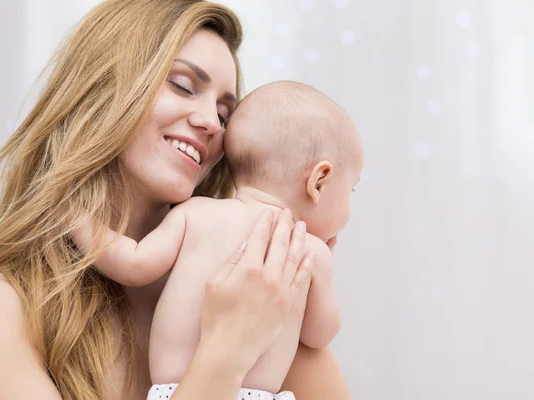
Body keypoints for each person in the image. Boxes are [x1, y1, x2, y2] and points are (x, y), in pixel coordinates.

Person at [0, 1, 353, 400]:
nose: (211, 122)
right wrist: (225, 352)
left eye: (225, 114)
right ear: (100, 87)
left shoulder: (262, 286)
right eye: (183, 85)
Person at [71, 80, 363, 399]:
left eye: (222, 115)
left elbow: (133, 263)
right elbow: (319, 336)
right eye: (350, 190)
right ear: (318, 182)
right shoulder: (309, 251)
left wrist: (74, 218)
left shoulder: (194, 213)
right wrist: (317, 279)